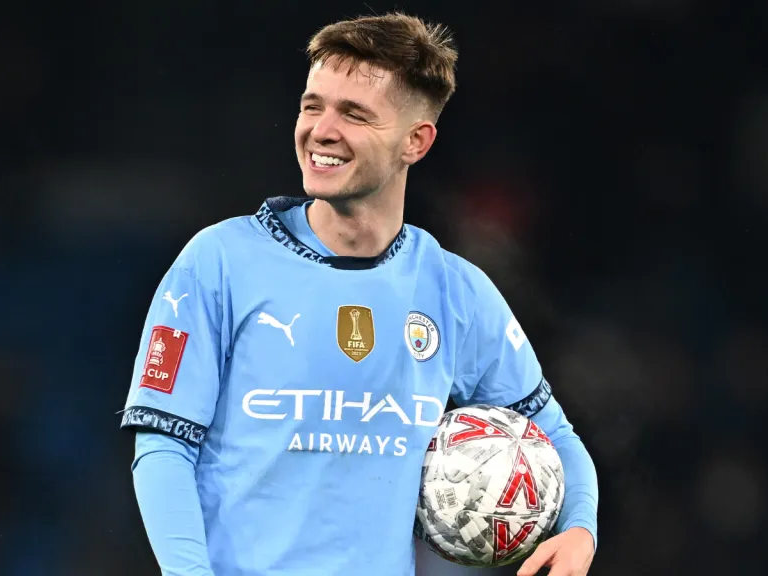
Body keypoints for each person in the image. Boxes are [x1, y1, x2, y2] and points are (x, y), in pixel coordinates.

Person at [120, 12, 598, 576]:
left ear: (415, 142)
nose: (321, 129)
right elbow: (162, 447)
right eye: (312, 105)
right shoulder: (219, 263)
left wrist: (580, 528)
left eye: (354, 114)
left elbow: (554, 435)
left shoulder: (455, 291)